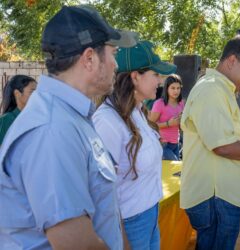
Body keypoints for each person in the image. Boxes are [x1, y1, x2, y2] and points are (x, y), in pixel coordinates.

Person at [0, 5, 137, 249]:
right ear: (89, 58)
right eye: (113, 53)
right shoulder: (52, 129)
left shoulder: (71, 117)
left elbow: (106, 213)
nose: (116, 64)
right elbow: (77, 244)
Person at [180, 35, 240, 250]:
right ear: (231, 61)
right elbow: (223, 146)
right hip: (216, 198)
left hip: (221, 197)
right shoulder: (212, 89)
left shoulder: (222, 90)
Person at [93, 40, 176, 250]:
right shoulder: (107, 121)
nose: (160, 80)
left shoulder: (137, 112)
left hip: (149, 215)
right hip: (128, 224)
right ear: (135, 76)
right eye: (155, 74)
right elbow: (100, 191)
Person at [149, 74, 185, 160]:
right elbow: (150, 125)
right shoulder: (159, 104)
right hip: (163, 145)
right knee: (174, 168)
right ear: (167, 88)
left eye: (178, 88)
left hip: (176, 144)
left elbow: (180, 126)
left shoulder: (181, 104)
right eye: (173, 88)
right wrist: (168, 123)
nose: (176, 91)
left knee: (176, 171)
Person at [0, 75, 37, 145]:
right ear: (17, 94)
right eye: (32, 92)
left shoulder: (36, 118)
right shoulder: (6, 120)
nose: (37, 96)